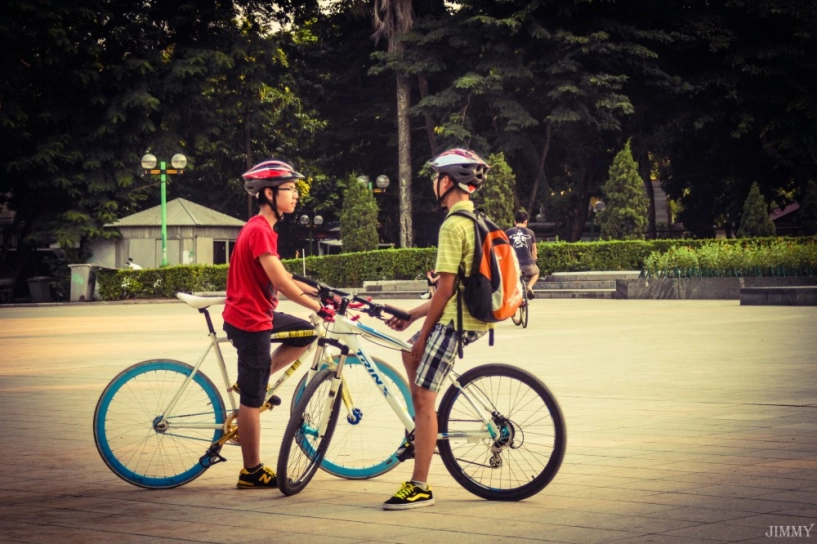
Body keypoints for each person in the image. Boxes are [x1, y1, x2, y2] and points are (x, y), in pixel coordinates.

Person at [382, 149, 491, 510]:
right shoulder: (476, 221)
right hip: (465, 316)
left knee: (426, 400)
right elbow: (453, 289)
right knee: (405, 349)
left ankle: (420, 485)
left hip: (454, 323)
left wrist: (425, 337)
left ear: (446, 182)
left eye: (435, 178)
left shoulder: (451, 225)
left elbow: (444, 291)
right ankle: (421, 430)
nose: (434, 183)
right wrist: (413, 317)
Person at [222, 159, 328, 490]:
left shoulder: (263, 229)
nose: (295, 195)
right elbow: (282, 284)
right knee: (252, 401)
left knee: (306, 333)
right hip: (250, 322)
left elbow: (282, 275)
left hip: (259, 316)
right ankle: (251, 472)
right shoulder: (259, 230)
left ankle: (255, 379)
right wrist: (318, 306)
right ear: (269, 193)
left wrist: (322, 292)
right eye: (289, 189)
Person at [506, 210, 540, 299]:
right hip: (528, 263)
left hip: (514, 265)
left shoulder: (508, 232)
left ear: (514, 221)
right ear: (526, 221)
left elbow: (504, 248)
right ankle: (529, 286)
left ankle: (516, 294)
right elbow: (534, 249)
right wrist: (534, 259)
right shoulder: (531, 232)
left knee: (512, 279)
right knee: (536, 273)